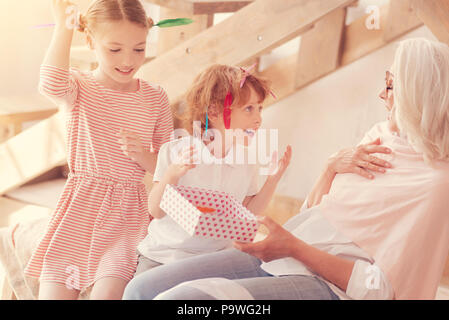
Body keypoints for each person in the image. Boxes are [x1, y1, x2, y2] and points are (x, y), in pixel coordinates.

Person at [122, 38, 449, 300]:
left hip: (321, 279)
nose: (381, 94)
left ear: (420, 95)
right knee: (140, 290)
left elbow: (380, 290)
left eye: (392, 86)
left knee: (181, 301)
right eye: (385, 82)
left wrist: (291, 241)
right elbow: (317, 216)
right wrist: (329, 170)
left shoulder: (434, 184)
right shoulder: (379, 137)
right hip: (262, 253)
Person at [24, 0, 174, 300]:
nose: (128, 60)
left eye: (139, 48)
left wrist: (143, 155)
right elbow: (50, 82)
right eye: (114, 49)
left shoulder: (156, 97)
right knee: (53, 292)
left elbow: (170, 165)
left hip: (129, 214)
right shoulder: (79, 87)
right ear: (90, 41)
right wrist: (64, 27)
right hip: (81, 206)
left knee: (108, 292)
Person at [123, 63, 292, 283]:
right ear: (213, 112)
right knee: (140, 292)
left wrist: (273, 179)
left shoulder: (246, 162)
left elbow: (249, 215)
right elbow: (155, 209)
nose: (258, 119)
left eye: (260, 108)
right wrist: (171, 174)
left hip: (213, 260)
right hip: (164, 256)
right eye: (249, 109)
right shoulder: (176, 151)